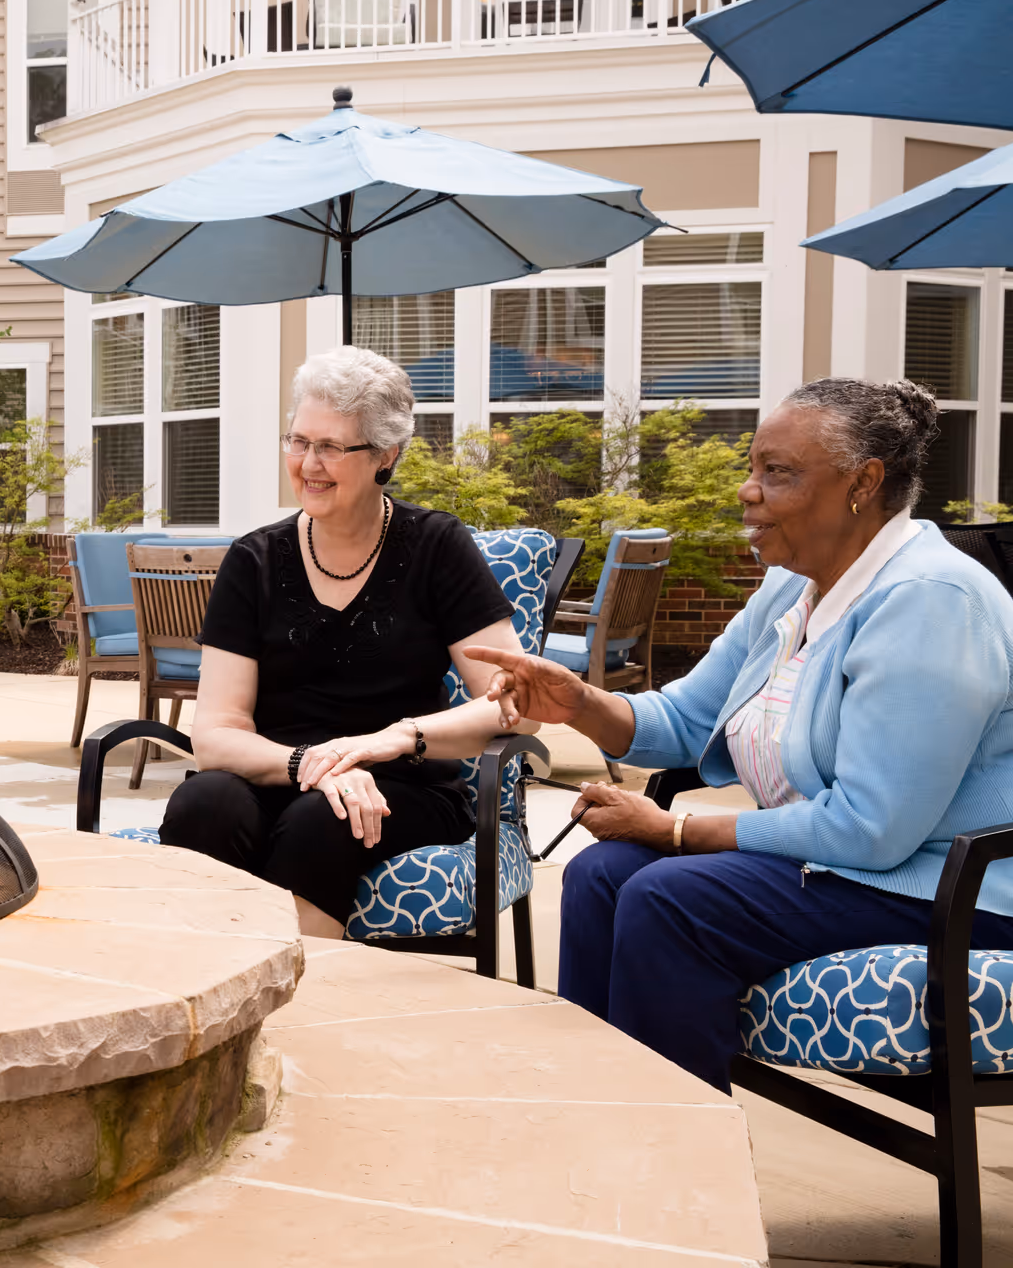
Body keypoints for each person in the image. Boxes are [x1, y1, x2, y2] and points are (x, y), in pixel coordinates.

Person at [471, 377, 1013, 1092]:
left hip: (947, 889)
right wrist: (578, 702)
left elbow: (872, 828)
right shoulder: (794, 587)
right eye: (752, 467)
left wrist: (676, 833)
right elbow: (686, 719)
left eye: (777, 473)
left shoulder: (931, 601)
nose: (747, 491)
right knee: (600, 876)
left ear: (863, 483)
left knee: (672, 899)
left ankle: (685, 1173)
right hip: (846, 870)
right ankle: (607, 1132)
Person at [159, 345, 526, 939]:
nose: (308, 463)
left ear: (386, 455)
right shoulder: (253, 560)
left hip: (405, 783)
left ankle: (308, 1014)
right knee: (204, 804)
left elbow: (513, 702)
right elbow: (217, 734)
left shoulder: (435, 546)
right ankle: (207, 998)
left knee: (325, 818)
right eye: (298, 441)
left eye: (330, 446)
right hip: (279, 771)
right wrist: (311, 764)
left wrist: (392, 740)